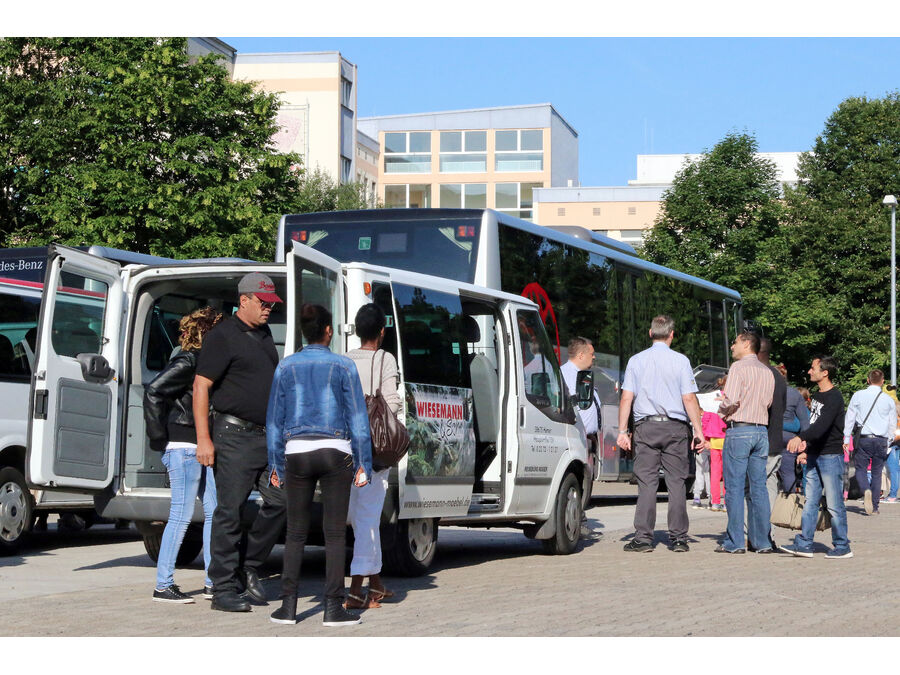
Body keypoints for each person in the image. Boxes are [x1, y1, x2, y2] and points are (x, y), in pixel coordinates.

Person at [266, 303, 373, 626]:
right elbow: (358, 418)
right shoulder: (343, 366)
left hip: (296, 452)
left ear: (303, 332)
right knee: (335, 533)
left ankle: (287, 607)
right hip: (335, 451)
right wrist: (363, 462)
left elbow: (274, 421)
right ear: (328, 331)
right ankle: (333, 608)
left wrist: (276, 465)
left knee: (295, 532)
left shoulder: (286, 366)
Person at [193, 272, 287, 613]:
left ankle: (248, 567)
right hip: (233, 436)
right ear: (243, 300)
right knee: (229, 513)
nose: (268, 309)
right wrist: (204, 439)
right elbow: (201, 386)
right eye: (263, 303)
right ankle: (222, 589)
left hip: (266, 437)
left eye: (272, 304)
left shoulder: (264, 335)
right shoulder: (223, 336)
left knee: (282, 500)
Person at [144, 307, 222, 603]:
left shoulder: (200, 361)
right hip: (184, 445)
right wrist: (159, 438)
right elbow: (153, 391)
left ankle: (213, 581)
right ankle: (163, 584)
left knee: (214, 510)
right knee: (181, 514)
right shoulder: (188, 360)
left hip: (199, 444)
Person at [618, 315, 706, 553]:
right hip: (675, 428)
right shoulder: (681, 361)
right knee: (676, 482)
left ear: (650, 333)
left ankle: (643, 538)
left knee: (647, 482)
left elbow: (626, 398)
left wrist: (623, 431)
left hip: (645, 428)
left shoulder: (636, 361)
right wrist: (698, 431)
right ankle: (678, 538)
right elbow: (689, 398)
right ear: (671, 335)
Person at [344, 303, 402, 609]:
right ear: (382, 331)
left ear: (356, 330)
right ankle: (356, 591)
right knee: (367, 518)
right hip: (374, 450)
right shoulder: (385, 359)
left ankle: (376, 584)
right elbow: (390, 402)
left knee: (360, 518)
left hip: (344, 446)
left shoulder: (343, 359)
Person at [781, 355, 851, 559]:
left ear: (825, 372)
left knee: (834, 503)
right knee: (810, 501)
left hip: (830, 456)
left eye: (813, 368)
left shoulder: (835, 397)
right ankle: (805, 543)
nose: (809, 371)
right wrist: (806, 450)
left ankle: (842, 545)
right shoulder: (817, 395)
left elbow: (822, 427)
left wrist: (800, 438)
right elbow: (813, 425)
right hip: (814, 455)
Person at [715, 331, 775, 555]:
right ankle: (762, 541)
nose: (732, 346)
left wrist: (721, 409)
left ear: (747, 344)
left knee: (734, 488)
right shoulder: (767, 371)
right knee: (759, 488)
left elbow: (731, 400)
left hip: (739, 430)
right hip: (761, 430)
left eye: (735, 342)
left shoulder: (738, 367)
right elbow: (768, 402)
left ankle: (735, 541)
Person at [560, 336, 603, 536]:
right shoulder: (566, 375)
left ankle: (580, 519)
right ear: (580, 355)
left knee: (586, 480)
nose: (594, 357)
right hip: (576, 436)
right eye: (591, 354)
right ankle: (579, 522)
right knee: (578, 481)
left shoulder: (582, 375)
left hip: (587, 438)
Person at [843, 369, 896, 515]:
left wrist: (846, 438)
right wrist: (889, 440)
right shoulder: (888, 400)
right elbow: (892, 423)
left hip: (864, 439)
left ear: (868, 380)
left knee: (861, 469)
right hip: (881, 440)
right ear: (882, 382)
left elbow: (850, 418)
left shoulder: (858, 395)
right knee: (877, 473)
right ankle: (875, 506)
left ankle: (866, 489)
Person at [758, 337, 786, 510]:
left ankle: (754, 526)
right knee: (770, 484)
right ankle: (769, 525)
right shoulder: (778, 377)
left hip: (762, 440)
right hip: (775, 439)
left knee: (753, 487)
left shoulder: (760, 375)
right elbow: (781, 408)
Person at [779, 368, 811, 495]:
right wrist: (804, 441)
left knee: (767, 475)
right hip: (790, 439)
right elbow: (804, 421)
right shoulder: (794, 394)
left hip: (770, 436)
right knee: (788, 473)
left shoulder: (765, 391)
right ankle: (790, 502)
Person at [697, 378, 727, 511]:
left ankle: (715, 502)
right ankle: (726, 503)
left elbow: (705, 421)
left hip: (714, 442)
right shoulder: (731, 399)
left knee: (715, 473)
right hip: (727, 440)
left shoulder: (710, 399)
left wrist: (705, 439)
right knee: (727, 474)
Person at [884, 400, 900, 504]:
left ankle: (893, 495)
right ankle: (893, 494)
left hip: (892, 445)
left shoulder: (895, 420)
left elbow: (894, 434)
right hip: (897, 445)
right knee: (896, 470)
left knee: (894, 470)